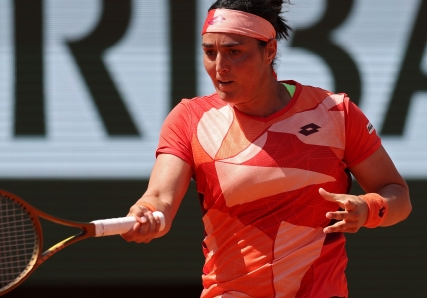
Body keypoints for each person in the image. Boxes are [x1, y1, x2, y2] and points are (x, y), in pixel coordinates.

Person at [121, 0, 412, 297]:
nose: (219, 66)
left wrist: (368, 208)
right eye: (210, 52)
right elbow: (159, 198)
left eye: (234, 52)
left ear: (269, 51)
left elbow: (398, 195)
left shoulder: (336, 113)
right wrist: (147, 213)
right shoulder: (189, 119)